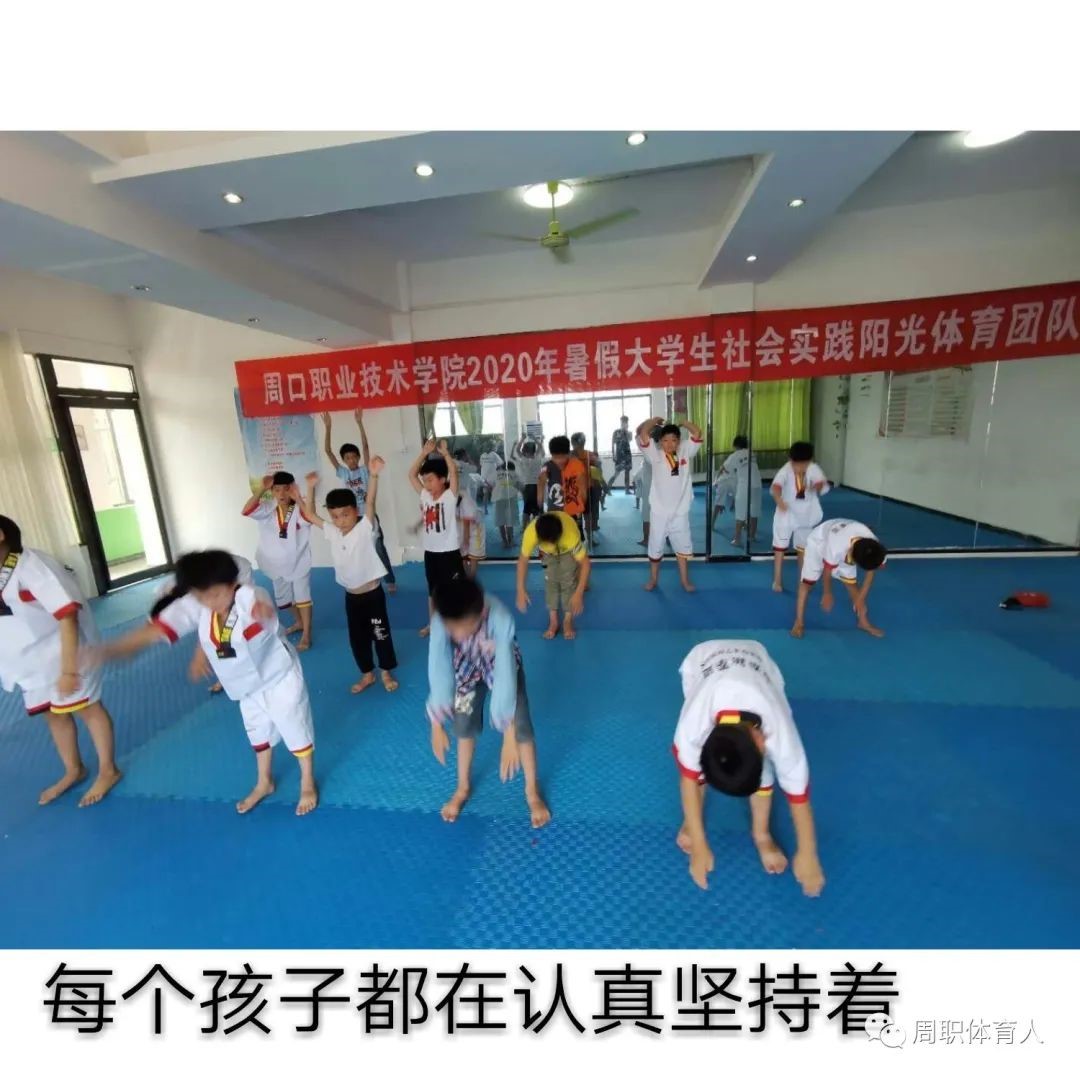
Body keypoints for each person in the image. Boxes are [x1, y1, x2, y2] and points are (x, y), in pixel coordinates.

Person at [95, 550, 318, 816]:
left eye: (215, 595)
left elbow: (260, 607)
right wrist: (110, 650)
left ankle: (307, 781)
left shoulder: (249, 596)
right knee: (258, 731)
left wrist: (262, 612)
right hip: (245, 686)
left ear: (232, 584)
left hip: (278, 676)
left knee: (293, 724)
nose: (210, 603)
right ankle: (264, 782)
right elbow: (159, 630)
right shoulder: (202, 601)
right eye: (202, 597)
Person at [673, 640, 824, 897]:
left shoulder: (779, 729)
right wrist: (699, 843)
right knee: (700, 768)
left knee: (762, 772)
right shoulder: (694, 724)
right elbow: (688, 778)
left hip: (758, 660)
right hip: (701, 661)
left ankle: (761, 834)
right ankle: (691, 821)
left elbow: (799, 796)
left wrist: (808, 853)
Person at [0, 515, 122, 808]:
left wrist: (69, 670)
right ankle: (74, 770)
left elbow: (67, 615)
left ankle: (108, 770)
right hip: (30, 660)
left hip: (66, 650)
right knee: (53, 714)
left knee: (87, 708)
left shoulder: (32, 567)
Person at [427, 578, 550, 828]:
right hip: (467, 668)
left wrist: (508, 735)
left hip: (502, 666)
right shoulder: (442, 619)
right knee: (464, 727)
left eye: (462, 628)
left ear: (480, 613)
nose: (457, 634)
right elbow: (438, 664)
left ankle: (531, 791)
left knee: (521, 728)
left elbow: (505, 677)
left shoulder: (500, 619)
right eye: (452, 629)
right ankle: (462, 787)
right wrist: (436, 723)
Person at [304, 462, 399, 693]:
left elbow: (370, 502)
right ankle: (367, 674)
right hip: (352, 598)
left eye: (345, 515)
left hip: (372, 595)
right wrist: (310, 488)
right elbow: (309, 515)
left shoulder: (365, 528)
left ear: (355, 511)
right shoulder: (333, 532)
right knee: (357, 638)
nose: (341, 521)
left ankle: (385, 671)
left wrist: (373, 476)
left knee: (380, 633)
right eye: (335, 517)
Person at [154, 552, 254, 695]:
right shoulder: (172, 591)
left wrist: (200, 654)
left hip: (239, 575)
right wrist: (201, 655)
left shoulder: (219, 582)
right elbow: (207, 628)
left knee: (239, 624)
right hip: (219, 585)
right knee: (220, 632)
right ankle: (228, 674)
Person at [321, 410, 396, 593]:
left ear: (358, 457)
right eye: (348, 458)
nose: (352, 460)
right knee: (358, 551)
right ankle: (366, 578)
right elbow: (328, 451)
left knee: (378, 548)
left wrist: (360, 423)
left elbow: (366, 446)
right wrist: (328, 427)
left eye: (354, 456)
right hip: (352, 519)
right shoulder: (343, 473)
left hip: (368, 515)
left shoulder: (364, 470)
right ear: (344, 460)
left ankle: (390, 580)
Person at [242, 471, 315, 651]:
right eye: (277, 490)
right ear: (272, 491)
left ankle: (306, 634)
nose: (282, 494)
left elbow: (310, 517)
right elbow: (246, 510)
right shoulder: (267, 508)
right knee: (284, 600)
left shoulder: (298, 508)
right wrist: (261, 489)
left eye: (286, 489)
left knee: (302, 596)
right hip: (274, 562)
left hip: (298, 561)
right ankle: (299, 622)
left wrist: (299, 498)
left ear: (292, 489)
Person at [636, 416, 703, 593]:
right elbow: (643, 434)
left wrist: (683, 423)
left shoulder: (685, 451)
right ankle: (653, 579)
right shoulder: (654, 455)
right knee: (655, 547)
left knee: (682, 548)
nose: (669, 444)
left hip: (680, 512)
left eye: (673, 440)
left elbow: (697, 433)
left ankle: (685, 581)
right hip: (659, 512)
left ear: (679, 441)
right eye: (665, 440)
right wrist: (653, 421)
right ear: (660, 442)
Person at [793, 519, 887, 639]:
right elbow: (827, 571)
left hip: (847, 544)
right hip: (819, 542)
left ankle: (863, 622)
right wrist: (827, 593)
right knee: (807, 583)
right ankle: (799, 622)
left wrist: (860, 598)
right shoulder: (836, 546)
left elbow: (871, 572)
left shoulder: (875, 549)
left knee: (852, 586)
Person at [408, 438, 464, 638]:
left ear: (442, 479)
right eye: (425, 480)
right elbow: (411, 474)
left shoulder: (449, 496)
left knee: (455, 591)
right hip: (431, 553)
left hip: (449, 553)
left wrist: (446, 454)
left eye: (430, 480)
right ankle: (433, 624)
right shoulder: (424, 495)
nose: (427, 484)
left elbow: (454, 473)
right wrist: (424, 453)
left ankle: (458, 624)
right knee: (433, 591)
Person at [516, 510, 590, 640]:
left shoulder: (570, 534)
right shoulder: (531, 533)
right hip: (547, 553)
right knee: (551, 581)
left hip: (568, 551)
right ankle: (553, 621)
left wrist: (579, 593)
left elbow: (585, 563)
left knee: (568, 581)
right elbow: (523, 560)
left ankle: (567, 621)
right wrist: (520, 589)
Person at [771, 441, 830, 593]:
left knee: (803, 549)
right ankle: (777, 580)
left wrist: (816, 486)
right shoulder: (785, 470)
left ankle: (802, 580)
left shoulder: (813, 468)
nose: (800, 467)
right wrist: (778, 500)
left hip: (806, 515)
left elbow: (822, 484)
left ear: (810, 460)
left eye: (804, 463)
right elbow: (776, 487)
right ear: (790, 459)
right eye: (797, 464)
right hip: (786, 514)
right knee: (780, 548)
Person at [712, 436, 763, 546]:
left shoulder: (735, 455)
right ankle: (752, 536)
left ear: (735, 445)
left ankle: (737, 539)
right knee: (754, 511)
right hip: (757, 484)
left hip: (744, 484)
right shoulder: (752, 453)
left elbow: (724, 468)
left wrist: (716, 480)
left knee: (740, 511)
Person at [537, 435, 588, 539]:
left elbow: (583, 490)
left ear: (568, 454)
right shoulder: (547, 466)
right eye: (556, 458)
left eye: (562, 457)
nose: (559, 461)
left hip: (572, 512)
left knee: (573, 540)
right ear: (551, 455)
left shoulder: (576, 465)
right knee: (556, 539)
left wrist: (580, 510)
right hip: (554, 513)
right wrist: (540, 508)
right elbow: (540, 486)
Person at [571, 432, 604, 538]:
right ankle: (589, 539)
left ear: (572, 443)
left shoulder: (573, 455)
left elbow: (598, 466)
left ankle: (585, 538)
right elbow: (599, 467)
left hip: (578, 490)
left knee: (581, 515)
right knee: (586, 515)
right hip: (582, 489)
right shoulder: (588, 454)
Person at [512, 435, 543, 528]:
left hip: (528, 487)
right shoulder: (537, 459)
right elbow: (540, 447)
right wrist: (535, 439)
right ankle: (538, 528)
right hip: (537, 486)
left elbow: (517, 450)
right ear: (534, 450)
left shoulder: (524, 459)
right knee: (537, 509)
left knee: (526, 509)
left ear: (525, 451)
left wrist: (522, 438)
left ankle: (524, 528)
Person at [456, 484, 486, 578]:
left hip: (475, 528)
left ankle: (472, 575)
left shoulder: (465, 499)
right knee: (462, 552)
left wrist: (466, 538)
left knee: (474, 552)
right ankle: (465, 574)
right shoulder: (448, 498)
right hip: (461, 526)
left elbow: (467, 521)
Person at [492, 460, 521, 548]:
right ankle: (511, 541)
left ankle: (504, 541)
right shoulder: (514, 474)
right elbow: (520, 486)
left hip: (498, 499)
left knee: (501, 521)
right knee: (510, 521)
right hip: (510, 499)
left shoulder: (497, 474)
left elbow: (490, 485)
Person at [608, 415, 634, 492]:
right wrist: (613, 455)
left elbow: (629, 439)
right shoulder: (616, 432)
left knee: (627, 471)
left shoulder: (629, 433)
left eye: (626, 421)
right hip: (619, 455)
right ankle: (608, 488)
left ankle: (627, 490)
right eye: (623, 421)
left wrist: (625, 431)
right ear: (621, 422)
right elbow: (613, 444)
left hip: (627, 455)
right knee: (616, 473)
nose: (624, 423)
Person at [478, 441, 503, 516]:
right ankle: (486, 509)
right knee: (488, 494)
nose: (487, 447)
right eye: (486, 446)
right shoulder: (483, 455)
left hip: (490, 477)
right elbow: (500, 465)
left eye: (488, 446)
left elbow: (500, 464)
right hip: (486, 478)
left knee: (490, 493)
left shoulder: (493, 454)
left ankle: (492, 509)